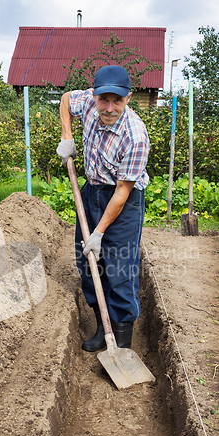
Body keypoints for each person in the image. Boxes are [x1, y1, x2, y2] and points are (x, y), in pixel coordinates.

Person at [56, 65, 150, 352]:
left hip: (124, 199)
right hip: (92, 192)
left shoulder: (135, 136)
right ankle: (102, 328)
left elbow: (122, 191)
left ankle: (121, 344)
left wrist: (98, 232)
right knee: (89, 265)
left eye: (117, 101)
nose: (109, 108)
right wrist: (67, 137)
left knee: (119, 268)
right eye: (103, 100)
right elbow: (65, 99)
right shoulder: (86, 101)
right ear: (94, 95)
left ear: (128, 98)